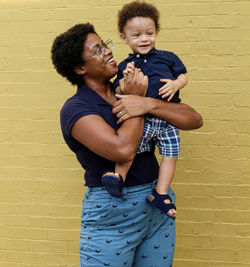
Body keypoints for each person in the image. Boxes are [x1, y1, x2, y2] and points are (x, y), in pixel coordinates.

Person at [51, 22, 202, 267]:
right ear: (80, 68)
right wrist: (137, 101)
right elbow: (122, 150)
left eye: (106, 44)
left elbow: (194, 120)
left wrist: (150, 104)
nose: (108, 51)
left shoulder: (128, 85)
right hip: (112, 212)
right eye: (98, 50)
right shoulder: (76, 109)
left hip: (155, 207)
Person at [101, 1, 188, 219]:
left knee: (171, 155)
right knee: (130, 150)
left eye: (149, 33)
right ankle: (118, 178)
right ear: (124, 38)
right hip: (143, 120)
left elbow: (183, 76)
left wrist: (176, 85)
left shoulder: (167, 57)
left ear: (156, 32)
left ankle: (161, 193)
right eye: (137, 35)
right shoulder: (124, 65)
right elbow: (118, 91)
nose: (144, 39)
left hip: (167, 119)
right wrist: (126, 78)